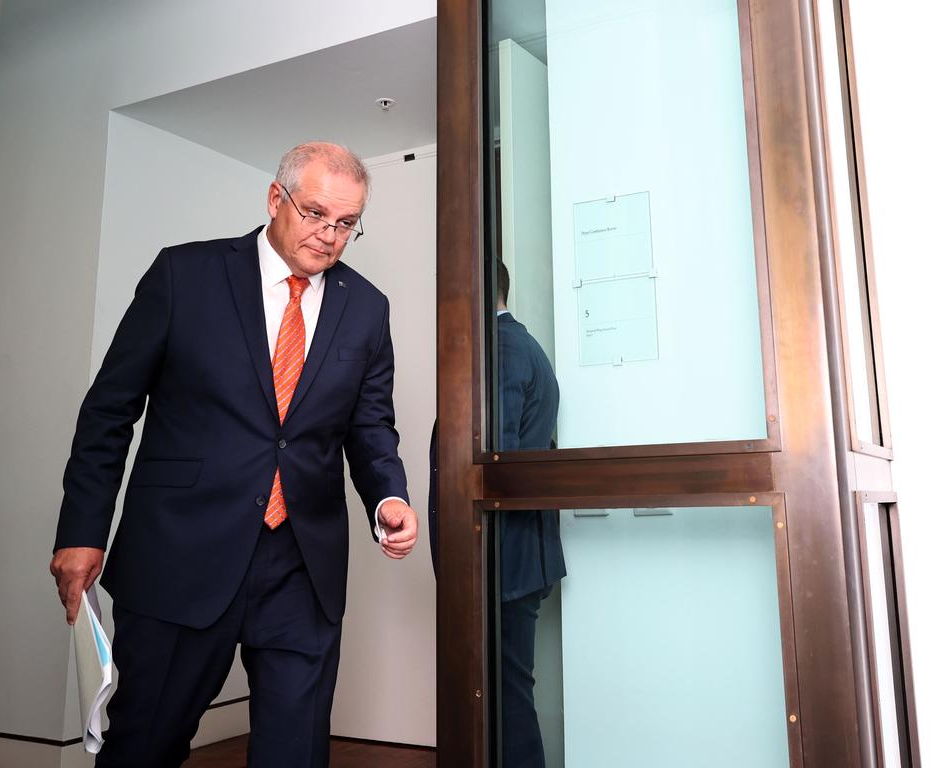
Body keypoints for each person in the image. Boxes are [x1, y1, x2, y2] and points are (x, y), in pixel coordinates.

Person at [50, 142, 418, 768]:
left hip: (303, 563)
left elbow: (370, 425)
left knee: (295, 753)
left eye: (346, 224)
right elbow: (110, 411)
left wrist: (389, 495)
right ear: (277, 199)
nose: (329, 236)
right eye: (315, 214)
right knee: (146, 742)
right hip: (182, 552)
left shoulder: (367, 307)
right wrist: (82, 531)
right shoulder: (183, 276)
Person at [429, 260, 565, 768]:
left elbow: (490, 462)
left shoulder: (500, 351)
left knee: (505, 698)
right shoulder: (518, 345)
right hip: (514, 555)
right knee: (505, 693)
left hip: (500, 558)